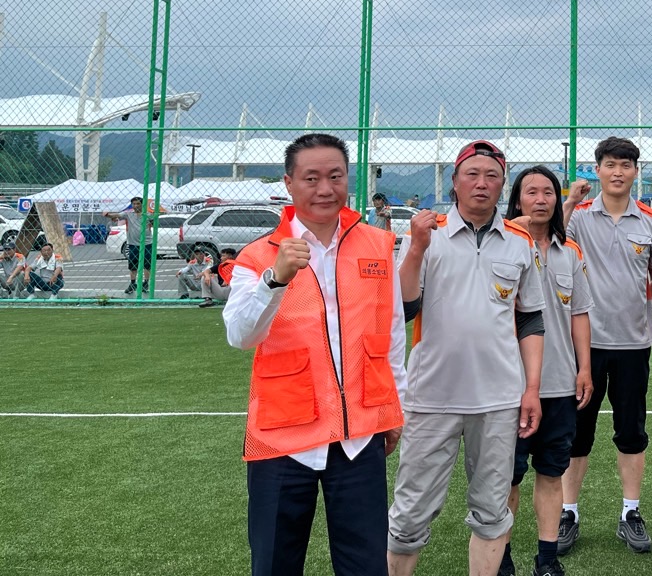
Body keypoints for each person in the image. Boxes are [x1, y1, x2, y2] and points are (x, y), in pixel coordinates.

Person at [223, 132, 406, 576]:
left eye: (335, 176)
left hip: (358, 436)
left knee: (366, 566)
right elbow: (240, 335)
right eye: (311, 178)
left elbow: (392, 334)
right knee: (274, 564)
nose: (325, 188)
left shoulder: (377, 245)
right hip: (282, 437)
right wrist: (274, 280)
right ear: (289, 183)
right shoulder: (258, 256)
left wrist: (394, 409)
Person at [389, 139, 546, 576]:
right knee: (410, 514)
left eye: (492, 176)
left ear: (503, 186)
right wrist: (417, 248)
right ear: (454, 183)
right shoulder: (426, 232)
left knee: (493, 512)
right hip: (432, 395)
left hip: (498, 398)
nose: (482, 183)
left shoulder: (519, 241)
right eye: (472, 175)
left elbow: (531, 319)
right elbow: (404, 309)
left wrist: (531, 389)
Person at [559, 136, 652, 556]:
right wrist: (569, 200)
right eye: (610, 164)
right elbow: (550, 239)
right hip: (583, 345)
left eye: (625, 165)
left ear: (636, 171)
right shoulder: (581, 215)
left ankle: (630, 513)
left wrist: (639, 304)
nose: (618, 172)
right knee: (576, 433)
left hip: (634, 344)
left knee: (631, 432)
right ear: (598, 169)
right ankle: (568, 513)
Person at [497, 166, 595, 576]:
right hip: (507, 386)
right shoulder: (500, 248)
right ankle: (500, 559)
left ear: (558, 199)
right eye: (531, 192)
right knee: (507, 479)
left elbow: (580, 313)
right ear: (517, 199)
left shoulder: (569, 251)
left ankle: (547, 558)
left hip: (559, 384)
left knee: (552, 473)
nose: (540, 199)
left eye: (548, 192)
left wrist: (584, 367)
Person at [103, 196, 160, 295]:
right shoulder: (128, 214)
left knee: (147, 264)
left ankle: (146, 283)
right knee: (133, 265)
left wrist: (154, 219)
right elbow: (117, 215)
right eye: (134, 204)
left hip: (147, 243)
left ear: (142, 204)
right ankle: (133, 283)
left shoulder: (148, 214)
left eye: (138, 204)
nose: (135, 206)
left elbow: (155, 224)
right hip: (133, 243)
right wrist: (108, 214)